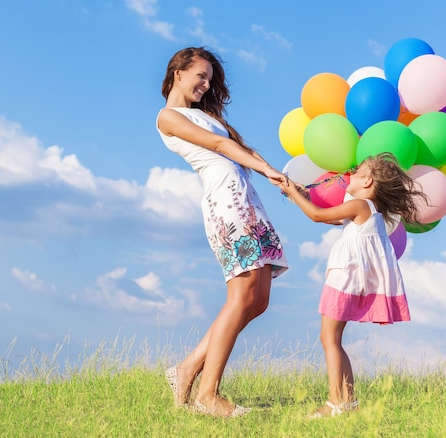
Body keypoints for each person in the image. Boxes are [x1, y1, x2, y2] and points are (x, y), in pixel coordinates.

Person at [156, 47, 289, 418]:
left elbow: (238, 147)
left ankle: (185, 370)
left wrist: (278, 176)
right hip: (226, 204)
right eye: (201, 75)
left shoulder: (205, 116)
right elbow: (217, 146)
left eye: (210, 78)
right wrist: (265, 171)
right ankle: (207, 394)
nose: (206, 83)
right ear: (178, 73)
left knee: (258, 299)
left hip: (246, 200)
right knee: (241, 293)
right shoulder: (168, 117)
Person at [278, 152, 426, 418]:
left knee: (328, 339)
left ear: (367, 182)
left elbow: (316, 216)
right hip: (349, 279)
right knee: (333, 339)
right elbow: (332, 217)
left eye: (358, 172)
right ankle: (348, 402)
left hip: (343, 278)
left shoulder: (360, 205)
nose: (351, 173)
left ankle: (335, 402)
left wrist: (290, 189)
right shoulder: (369, 211)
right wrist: (298, 195)